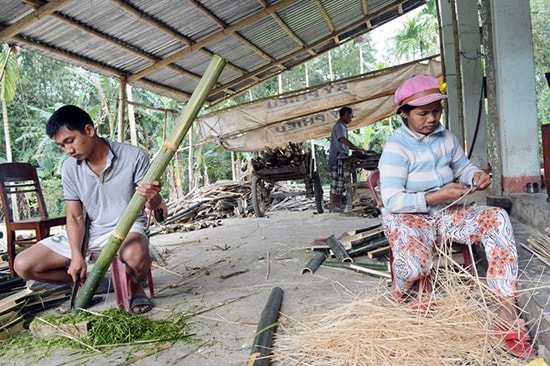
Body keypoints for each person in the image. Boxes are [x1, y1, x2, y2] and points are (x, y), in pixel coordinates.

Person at [378, 74, 536, 359]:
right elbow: (391, 200)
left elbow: (462, 166)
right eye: (423, 113)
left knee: (496, 218)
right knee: (413, 267)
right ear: (404, 113)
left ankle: (506, 308)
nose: (432, 118)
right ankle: (398, 291)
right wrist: (436, 196)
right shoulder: (396, 148)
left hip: (445, 214)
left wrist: (474, 174)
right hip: (407, 218)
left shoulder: (445, 137)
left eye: (437, 110)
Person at [14, 105, 164, 314]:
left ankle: (134, 285)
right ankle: (92, 284)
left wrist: (153, 197)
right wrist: (77, 255)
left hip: (128, 229)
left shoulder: (133, 156)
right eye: (61, 146)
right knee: (23, 264)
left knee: (136, 254)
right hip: (90, 232)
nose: (68, 150)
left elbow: (153, 205)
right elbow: (75, 217)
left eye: (70, 141)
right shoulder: (69, 168)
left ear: (89, 130)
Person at [328, 106, 367, 212]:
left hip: (341, 157)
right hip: (337, 157)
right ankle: (333, 205)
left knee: (340, 182)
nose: (351, 118)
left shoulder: (342, 126)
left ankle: (338, 204)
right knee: (336, 182)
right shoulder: (339, 126)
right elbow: (343, 140)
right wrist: (356, 148)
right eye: (350, 116)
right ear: (345, 114)